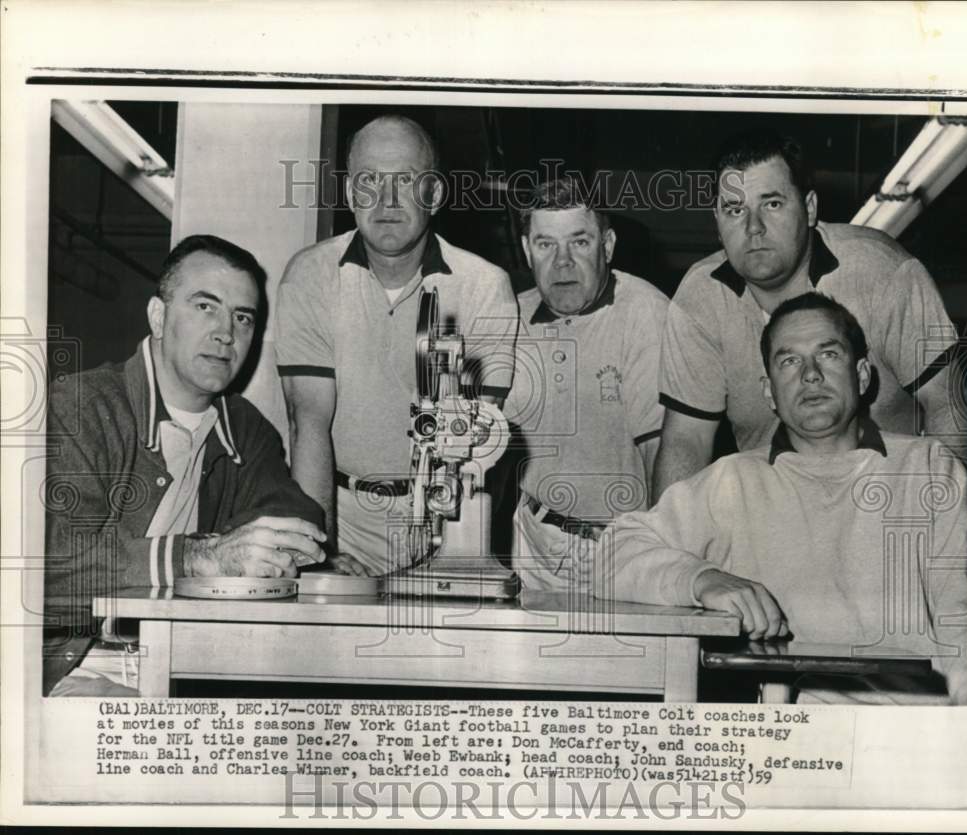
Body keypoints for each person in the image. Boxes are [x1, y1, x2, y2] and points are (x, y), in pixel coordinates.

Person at [596, 293, 967, 704]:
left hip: (914, 726)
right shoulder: (733, 481)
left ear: (862, 375)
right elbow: (612, 553)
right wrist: (701, 579)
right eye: (789, 361)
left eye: (828, 354)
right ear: (769, 392)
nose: (810, 375)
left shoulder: (928, 468)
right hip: (788, 729)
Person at [44, 235, 326, 696]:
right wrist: (197, 557)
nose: (226, 333)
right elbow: (45, 567)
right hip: (73, 667)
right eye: (205, 307)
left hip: (185, 666)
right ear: (158, 317)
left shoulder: (245, 426)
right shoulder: (80, 408)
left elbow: (298, 518)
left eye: (242, 317)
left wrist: (251, 548)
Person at [653, 132, 965, 497]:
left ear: (810, 208)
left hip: (887, 496)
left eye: (772, 204)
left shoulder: (882, 272)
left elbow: (948, 403)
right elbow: (686, 441)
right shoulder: (700, 298)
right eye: (735, 210)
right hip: (777, 509)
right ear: (717, 222)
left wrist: (941, 509)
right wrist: (666, 530)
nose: (753, 227)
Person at [275, 115, 518, 576]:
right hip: (340, 516)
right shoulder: (310, 275)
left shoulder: (485, 286)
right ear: (351, 195)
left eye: (405, 179)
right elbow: (307, 423)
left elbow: (476, 444)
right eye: (369, 180)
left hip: (446, 517)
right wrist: (320, 554)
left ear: (435, 194)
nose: (386, 199)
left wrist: (447, 549)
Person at [506, 176, 670, 591]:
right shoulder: (510, 316)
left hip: (616, 548)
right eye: (546, 244)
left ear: (607, 246)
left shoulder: (648, 313)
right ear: (527, 249)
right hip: (529, 542)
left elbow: (664, 454)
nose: (562, 262)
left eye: (579, 242)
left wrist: (657, 555)